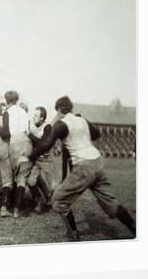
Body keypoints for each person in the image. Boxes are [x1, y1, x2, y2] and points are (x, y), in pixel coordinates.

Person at [29, 95, 136, 241]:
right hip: (97, 162)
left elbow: (46, 144)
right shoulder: (82, 119)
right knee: (110, 202)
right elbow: (97, 133)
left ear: (59, 109)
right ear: (71, 108)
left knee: (59, 200)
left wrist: (31, 156)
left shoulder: (62, 123)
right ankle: (134, 227)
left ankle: (73, 235)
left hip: (84, 166)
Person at [27, 106, 56, 213]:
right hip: (37, 160)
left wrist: (29, 134)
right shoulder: (32, 125)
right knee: (31, 182)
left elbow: (42, 144)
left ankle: (52, 199)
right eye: (33, 115)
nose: (33, 117)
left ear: (42, 118)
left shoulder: (47, 127)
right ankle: (39, 200)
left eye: (36, 115)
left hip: (47, 160)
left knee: (54, 186)